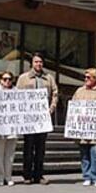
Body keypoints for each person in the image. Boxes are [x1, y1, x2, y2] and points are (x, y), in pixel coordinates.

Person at [16, 52, 58, 185]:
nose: (38, 64)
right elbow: (16, 95)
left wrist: (52, 107)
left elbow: (55, 94)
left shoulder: (49, 78)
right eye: (36, 62)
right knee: (28, 147)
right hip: (29, 120)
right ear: (31, 63)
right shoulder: (23, 78)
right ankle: (27, 175)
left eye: (40, 62)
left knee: (40, 148)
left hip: (43, 120)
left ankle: (39, 175)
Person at [71, 68, 96, 188]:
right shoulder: (79, 91)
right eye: (85, 77)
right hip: (83, 130)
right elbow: (73, 107)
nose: (86, 79)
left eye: (88, 77)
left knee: (95, 153)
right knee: (84, 155)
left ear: (95, 78)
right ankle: (87, 176)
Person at [0, 71, 18, 186]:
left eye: (9, 79)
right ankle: (0, 177)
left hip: (12, 128)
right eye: (5, 79)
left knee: (10, 154)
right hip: (0, 128)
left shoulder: (16, 92)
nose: (7, 81)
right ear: (0, 80)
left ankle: (8, 176)